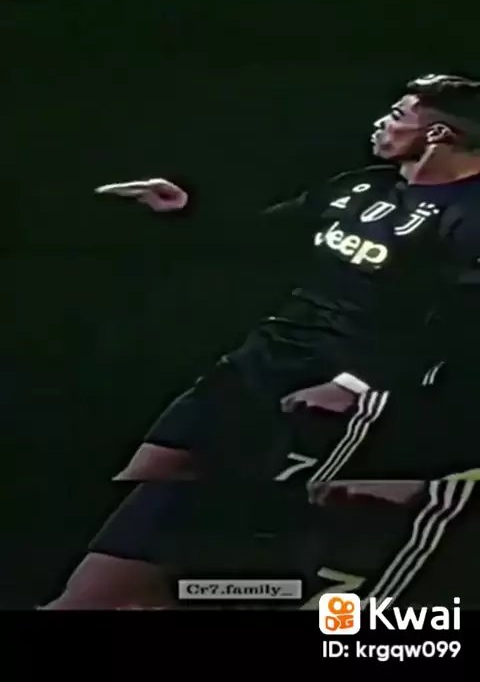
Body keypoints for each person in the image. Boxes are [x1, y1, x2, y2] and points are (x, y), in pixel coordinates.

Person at [43, 73, 480, 608]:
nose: (381, 123)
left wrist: (355, 384)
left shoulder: (469, 216)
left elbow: (457, 326)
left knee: (264, 512)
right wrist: (186, 209)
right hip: (265, 355)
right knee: (152, 473)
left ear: (438, 133)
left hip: (339, 386)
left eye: (397, 115)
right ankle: (102, 593)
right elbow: (268, 233)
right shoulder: (363, 185)